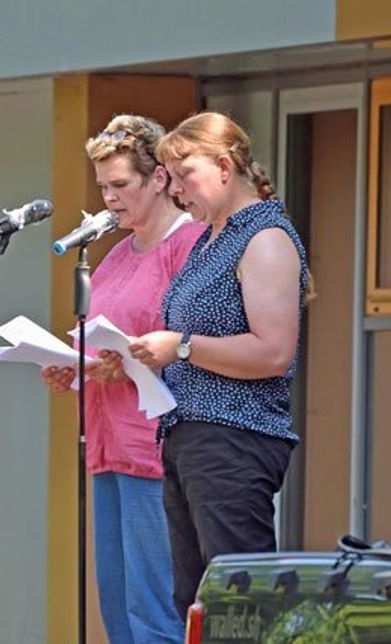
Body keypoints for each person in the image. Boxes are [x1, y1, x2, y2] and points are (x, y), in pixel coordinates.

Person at [129, 111, 311, 617]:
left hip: (234, 438)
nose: (179, 193)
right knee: (195, 603)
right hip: (189, 436)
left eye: (186, 176)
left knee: (238, 602)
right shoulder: (211, 239)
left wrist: (181, 346)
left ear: (225, 166)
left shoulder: (266, 238)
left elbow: (274, 352)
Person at [41, 115, 203, 643]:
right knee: (117, 610)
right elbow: (97, 337)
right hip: (107, 445)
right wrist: (68, 365)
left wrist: (131, 359)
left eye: (120, 185)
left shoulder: (190, 244)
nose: (109, 199)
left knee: (155, 611)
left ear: (159, 178)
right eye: (102, 187)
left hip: (158, 451)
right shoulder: (112, 257)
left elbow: (196, 341)